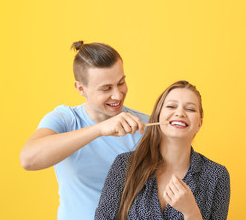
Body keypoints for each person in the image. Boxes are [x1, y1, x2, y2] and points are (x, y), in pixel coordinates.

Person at [19, 41, 149, 220]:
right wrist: (99, 129)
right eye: (106, 88)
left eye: (121, 83)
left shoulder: (145, 124)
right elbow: (28, 159)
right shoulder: (65, 119)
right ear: (81, 88)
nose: (118, 95)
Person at [95, 80, 230, 220]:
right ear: (158, 115)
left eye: (190, 109)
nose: (180, 113)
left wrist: (191, 212)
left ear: (199, 124)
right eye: (171, 106)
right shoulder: (125, 164)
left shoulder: (217, 175)